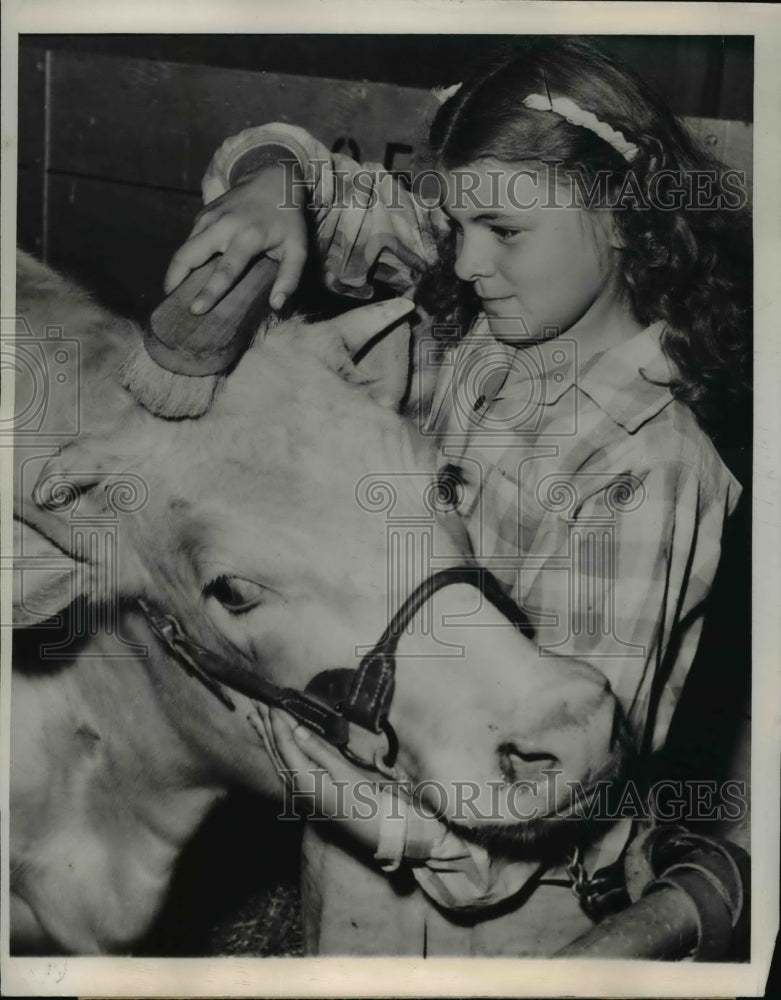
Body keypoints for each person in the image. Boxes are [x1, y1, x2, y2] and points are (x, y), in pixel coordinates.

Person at [165, 37, 751, 955]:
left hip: (498, 912)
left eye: (503, 232)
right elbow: (319, 184)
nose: (466, 261)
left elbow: (536, 796)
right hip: (364, 844)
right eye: (459, 222)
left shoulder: (647, 471)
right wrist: (272, 182)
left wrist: (311, 766)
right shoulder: (503, 313)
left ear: (628, 220)